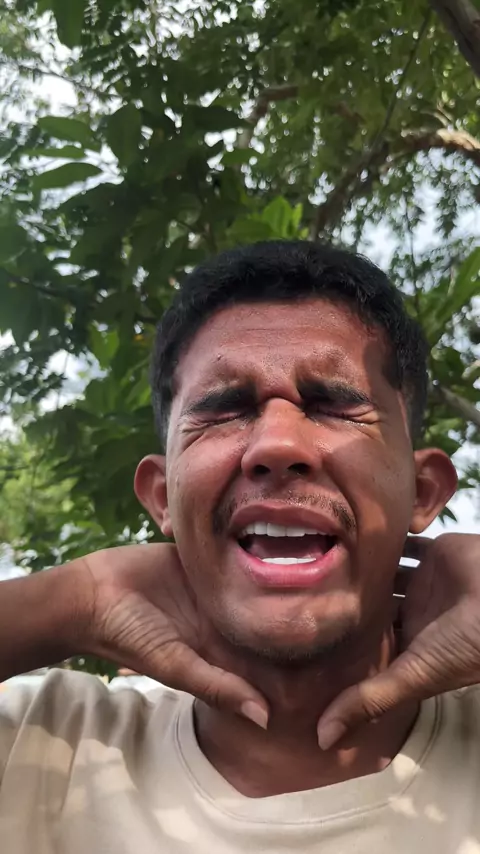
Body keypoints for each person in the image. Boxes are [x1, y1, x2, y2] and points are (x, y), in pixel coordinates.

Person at [1, 240, 480, 854]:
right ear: (163, 497)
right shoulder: (46, 747)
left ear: (422, 490)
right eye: (224, 411)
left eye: (334, 406)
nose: (277, 445)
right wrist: (74, 603)